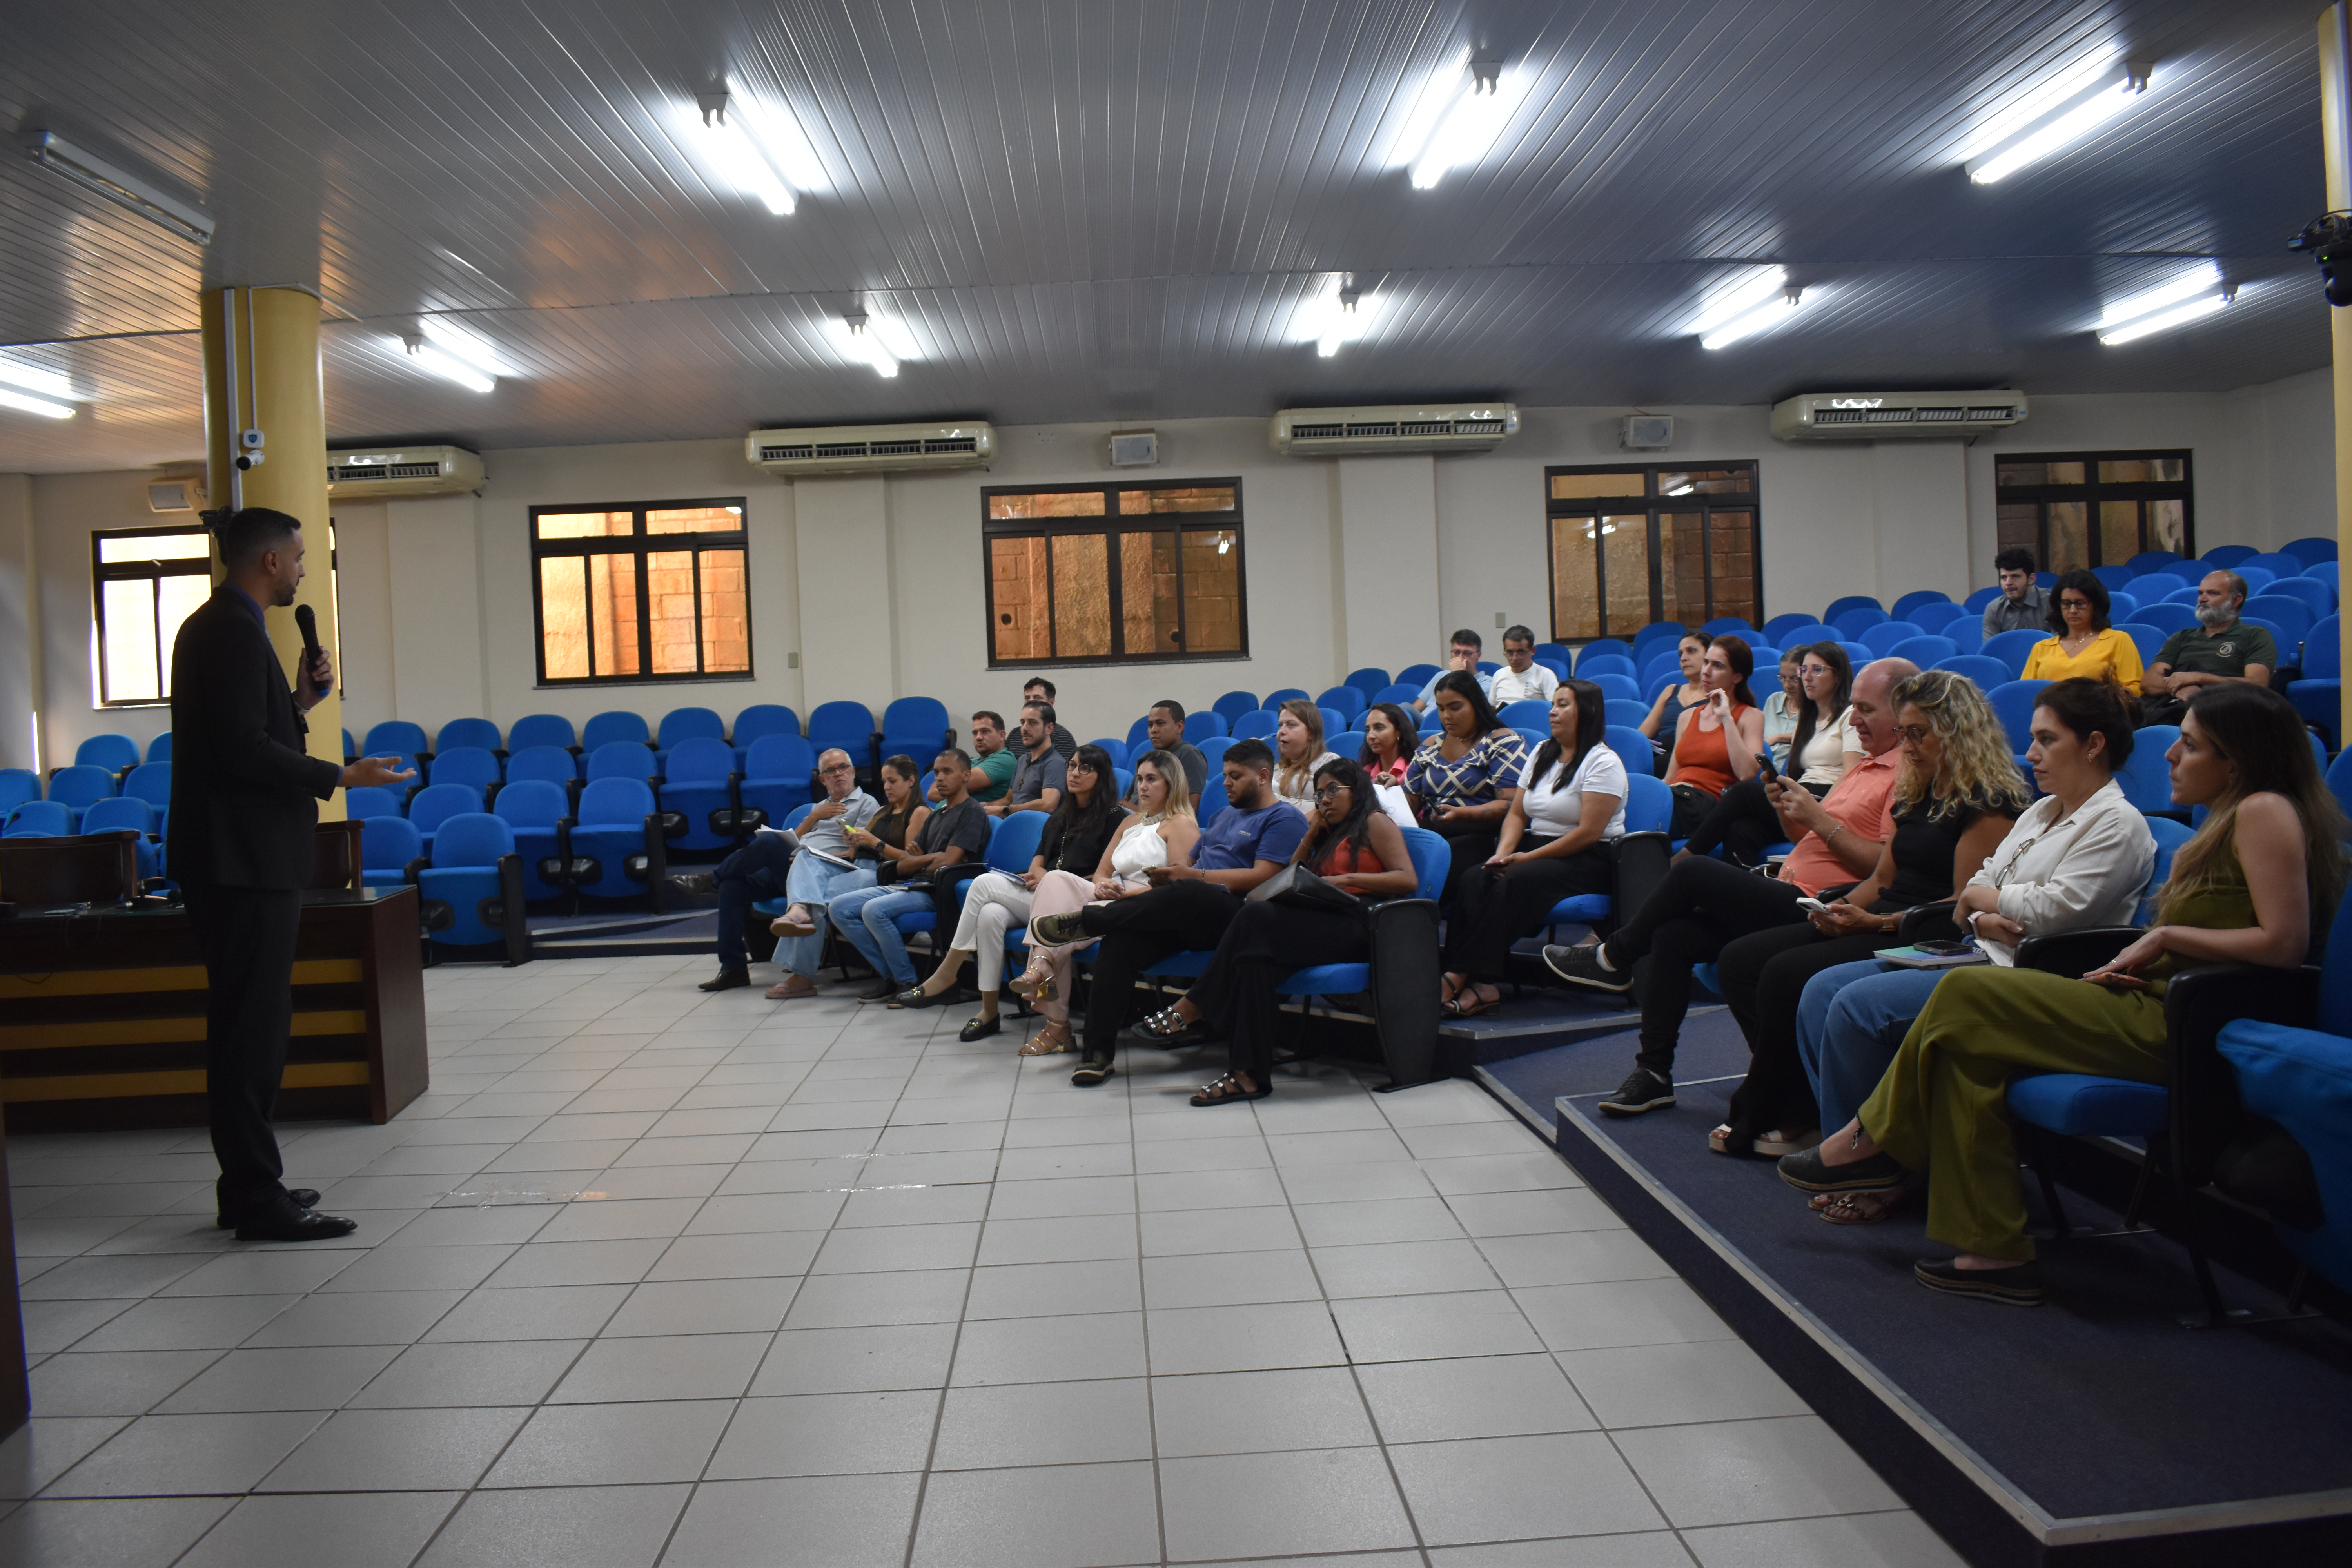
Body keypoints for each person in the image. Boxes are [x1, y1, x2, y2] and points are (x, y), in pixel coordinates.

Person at [1781, 684, 2347, 1306]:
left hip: (2180, 1022)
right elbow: (1980, 889)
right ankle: (1994, 1251)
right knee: (1971, 1053)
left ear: (2236, 759)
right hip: (2151, 999)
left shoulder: (2264, 809)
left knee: (1967, 995)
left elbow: (2284, 944)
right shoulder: (2227, 817)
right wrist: (2154, 946)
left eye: (2189, 745)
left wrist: (2165, 936)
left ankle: (1870, 1140)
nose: (2169, 757)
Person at [1791, 679, 2156, 1221]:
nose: (2029, 753)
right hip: (1978, 948)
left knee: (1858, 1007)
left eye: (2046, 740)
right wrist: (1992, 909)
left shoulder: (2118, 824)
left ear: (2094, 745)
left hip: (2033, 978)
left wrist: (1990, 904)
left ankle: (1878, 1163)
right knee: (1822, 990)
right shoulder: (2041, 813)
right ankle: (1876, 1156)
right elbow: (1976, 891)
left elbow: (2052, 912)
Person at [169, 506, 413, 1242]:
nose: (305, 569)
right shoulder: (233, 632)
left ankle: (248, 1182)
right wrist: (338, 774)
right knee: (251, 1028)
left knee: (252, 1022)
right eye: (301, 557)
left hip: (238, 856)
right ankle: (252, 1195)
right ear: (270, 561)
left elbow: (245, 736)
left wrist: (301, 703)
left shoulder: (218, 627)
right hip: (240, 860)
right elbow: (244, 752)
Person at [1543, 659, 1917, 1117]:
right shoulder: (1864, 767)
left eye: (1865, 710)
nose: (1853, 720)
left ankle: (1614, 956)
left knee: (1693, 870)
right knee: (1673, 935)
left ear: (1904, 712)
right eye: (1854, 708)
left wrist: (1818, 817)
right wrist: (1790, 810)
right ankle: (1654, 1072)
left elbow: (1885, 869)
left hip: (1828, 903)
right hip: (1786, 885)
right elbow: (1810, 840)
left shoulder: (1905, 775)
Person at [1707, 670, 2029, 1161]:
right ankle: (1799, 1097)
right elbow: (1882, 882)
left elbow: (1962, 905)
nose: (1907, 744)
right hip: (1884, 914)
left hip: (1928, 931)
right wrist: (1838, 909)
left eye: (1917, 733)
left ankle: (1778, 1108)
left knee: (1784, 972)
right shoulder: (1919, 789)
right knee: (1740, 961)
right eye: (1903, 732)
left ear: (1956, 730)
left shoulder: (1987, 802)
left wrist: (1874, 923)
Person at [1129, 758, 1419, 1105]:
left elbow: (1407, 879)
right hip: (1321, 921)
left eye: (1332, 791)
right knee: (1256, 963)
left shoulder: (1374, 822)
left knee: (1256, 917)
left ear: (1356, 791)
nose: (1324, 799)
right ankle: (1248, 1076)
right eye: (1320, 793)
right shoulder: (1327, 834)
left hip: (1361, 924)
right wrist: (1310, 835)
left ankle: (1195, 1004)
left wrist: (1348, 880)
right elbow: (1292, 874)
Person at [1027, 739, 1307, 1086]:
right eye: (1226, 775)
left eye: (1236, 776)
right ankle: (1097, 1054)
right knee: (1122, 942)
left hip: (1236, 916)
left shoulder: (1284, 817)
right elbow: (1189, 861)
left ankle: (1087, 920)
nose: (1226, 783)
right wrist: (1173, 875)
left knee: (1191, 889)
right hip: (1187, 908)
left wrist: (1193, 876)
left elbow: (1265, 876)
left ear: (1263, 776)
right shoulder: (1222, 816)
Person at [891, 745, 1128, 1044]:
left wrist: (1052, 879)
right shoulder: (1061, 814)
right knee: (990, 915)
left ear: (1102, 776)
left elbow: (1108, 873)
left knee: (981, 885)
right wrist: (1040, 875)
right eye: (1072, 766)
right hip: (1042, 894)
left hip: (1079, 901)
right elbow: (1038, 861)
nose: (1075, 773)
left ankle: (948, 970)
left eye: (1085, 768)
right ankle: (988, 1011)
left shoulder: (1115, 817)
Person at [1440, 679, 1626, 1019]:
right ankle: (1477, 979)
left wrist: (1526, 858)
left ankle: (1464, 977)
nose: (1553, 711)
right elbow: (1517, 813)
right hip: (1538, 847)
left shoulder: (1604, 762)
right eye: (1553, 704)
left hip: (1589, 857)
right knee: (1474, 878)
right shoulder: (1542, 752)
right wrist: (1504, 853)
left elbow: (1588, 833)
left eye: (1563, 704)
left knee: (1515, 881)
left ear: (1589, 712)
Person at [1015, 751, 1203, 1054]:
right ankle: (1042, 965)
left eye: (1152, 779)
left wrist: (1121, 895)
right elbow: (1103, 871)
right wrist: (1103, 885)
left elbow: (1176, 892)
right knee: (1055, 879)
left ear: (1172, 783)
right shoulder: (1129, 821)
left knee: (1059, 933)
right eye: (1140, 779)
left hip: (1142, 905)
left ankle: (1052, 1013)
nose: (1142, 787)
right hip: (1110, 895)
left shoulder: (1180, 824)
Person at [681, 746, 881, 996]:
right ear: (822, 779)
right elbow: (794, 840)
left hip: (823, 871)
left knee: (768, 844)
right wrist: (812, 818)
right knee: (732, 889)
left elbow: (860, 851)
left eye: (843, 768)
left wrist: (817, 856)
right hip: (790, 867)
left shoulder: (867, 804)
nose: (838, 774)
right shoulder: (818, 808)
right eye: (831, 771)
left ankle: (712, 878)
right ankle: (734, 969)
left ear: (853, 772)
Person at [829, 748, 993, 999]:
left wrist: (920, 859)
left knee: (874, 910)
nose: (939, 778)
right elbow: (904, 865)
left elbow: (949, 862)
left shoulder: (971, 812)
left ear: (966, 776)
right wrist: (927, 859)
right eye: (937, 772)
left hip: (936, 892)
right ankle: (890, 975)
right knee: (839, 907)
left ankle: (906, 981)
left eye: (948, 772)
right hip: (910, 884)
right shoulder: (937, 815)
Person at [1675, 641, 1853, 866]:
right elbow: (1796, 774)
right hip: (1801, 796)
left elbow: (1853, 773)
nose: (1806, 678)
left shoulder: (1851, 717)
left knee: (1743, 792)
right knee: (1739, 830)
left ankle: (1682, 859)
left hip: (1825, 802)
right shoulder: (1808, 721)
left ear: (1838, 676)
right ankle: (1735, 897)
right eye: (1804, 670)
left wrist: (1819, 812)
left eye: (1817, 670)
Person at [1406, 671, 1529, 910]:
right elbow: (1410, 801)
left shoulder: (1503, 741)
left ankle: (1410, 931)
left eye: (1455, 707)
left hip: (1483, 836)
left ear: (1476, 704)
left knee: (1430, 865)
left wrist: (1462, 814)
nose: (1446, 716)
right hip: (1434, 831)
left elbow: (1510, 806)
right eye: (1441, 709)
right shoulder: (1430, 745)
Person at [1661, 635, 1767, 840]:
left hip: (1711, 805)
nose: (1706, 671)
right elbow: (1670, 777)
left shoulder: (1751, 716)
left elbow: (1746, 774)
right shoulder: (1687, 717)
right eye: (1706, 662)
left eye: (1717, 666)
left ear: (1737, 677)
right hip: (1677, 796)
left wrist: (1726, 718)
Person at [2139, 569, 2276, 727]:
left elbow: (2257, 684)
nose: (2202, 599)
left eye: (2213, 594)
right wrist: (2179, 689)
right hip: (2177, 707)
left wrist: (2199, 678)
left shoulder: (2255, 635)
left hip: (2226, 711)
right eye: (2201, 593)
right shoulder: (2181, 637)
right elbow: (2149, 682)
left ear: (2236, 600)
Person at [2021, 568, 2142, 694]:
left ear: (2096, 605)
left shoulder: (2118, 640)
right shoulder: (2041, 648)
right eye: (2067, 604)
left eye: (2081, 603)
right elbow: (2025, 692)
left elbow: (2134, 687)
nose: (2073, 610)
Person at [845, 754, 929, 888]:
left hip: (880, 873)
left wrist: (874, 842)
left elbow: (910, 861)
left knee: (821, 889)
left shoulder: (919, 812)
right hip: (857, 868)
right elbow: (854, 856)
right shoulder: (882, 811)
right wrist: (854, 844)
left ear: (911, 781)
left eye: (892, 781)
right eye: (885, 782)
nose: (886, 787)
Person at [1638, 631, 1712, 769]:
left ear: (1710, 656)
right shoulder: (1671, 691)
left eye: (1691, 651)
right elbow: (1642, 736)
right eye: (1681, 654)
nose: (1684, 658)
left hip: (1697, 759)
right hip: (1662, 755)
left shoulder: (1718, 695)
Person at [985, 700, 1067, 817]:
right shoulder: (1022, 760)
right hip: (1014, 823)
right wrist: (984, 806)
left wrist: (1005, 810)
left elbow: (1048, 804)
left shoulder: (1055, 763)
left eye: (1032, 723)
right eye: (1023, 723)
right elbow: (1008, 800)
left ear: (1049, 729)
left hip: (1035, 830)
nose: (1024, 728)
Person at [1127, 699, 1207, 811]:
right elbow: (1129, 799)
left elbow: (1188, 809)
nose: (1154, 730)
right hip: (1133, 821)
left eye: (1160, 724)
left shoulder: (1189, 754)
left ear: (1180, 727)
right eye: (1150, 725)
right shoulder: (1149, 759)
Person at [1272, 698, 1342, 814]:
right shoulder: (1276, 768)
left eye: (1291, 725)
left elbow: (1335, 806)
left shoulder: (1328, 762)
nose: (1282, 731)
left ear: (1311, 733)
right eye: (1280, 725)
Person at [1358, 701, 1419, 828]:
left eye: (1379, 728)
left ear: (1398, 732)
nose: (1371, 736)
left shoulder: (1414, 769)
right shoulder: (1367, 771)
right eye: (1368, 730)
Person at [1411, 629, 1495, 712]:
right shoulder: (1441, 675)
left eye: (1467, 653)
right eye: (1456, 652)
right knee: (1405, 709)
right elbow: (1416, 707)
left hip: (1448, 722)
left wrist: (1458, 675)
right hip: (1423, 723)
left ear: (1478, 655)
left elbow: (1464, 711)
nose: (1461, 658)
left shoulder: (1487, 682)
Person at [1981, 547, 2050, 638]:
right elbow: (1992, 649)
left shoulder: (2052, 603)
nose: (2008, 583)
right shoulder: (1994, 610)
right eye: (2004, 577)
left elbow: (2062, 646)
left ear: (2031, 579)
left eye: (2015, 576)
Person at [1488, 624, 1560, 706]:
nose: (1515, 658)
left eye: (1521, 652)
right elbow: (1492, 708)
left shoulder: (1545, 675)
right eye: (1510, 652)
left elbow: (1556, 707)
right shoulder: (1499, 675)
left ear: (1533, 651)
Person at [1759, 648, 1806, 771]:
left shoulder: (1817, 708)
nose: (1787, 685)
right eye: (1783, 678)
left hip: (1793, 775)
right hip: (1763, 770)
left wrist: (1779, 738)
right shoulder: (1774, 701)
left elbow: (1814, 738)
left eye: (1795, 679)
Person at [964, 711, 1016, 803]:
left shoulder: (1005, 759)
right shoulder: (970, 760)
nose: (978, 738)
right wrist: (961, 789)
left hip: (968, 815)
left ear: (1002, 736)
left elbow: (948, 786)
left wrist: (952, 788)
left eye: (985, 732)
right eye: (975, 733)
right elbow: (932, 793)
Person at [1020, 677, 1079, 758]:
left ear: (1051, 703)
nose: (1031, 702)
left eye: (1037, 698)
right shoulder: (1015, 734)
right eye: (1027, 698)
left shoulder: (1062, 737)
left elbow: (1065, 769)